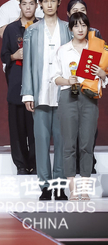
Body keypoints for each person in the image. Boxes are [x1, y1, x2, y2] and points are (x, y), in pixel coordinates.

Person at [21, 0, 71, 201]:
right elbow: (28, 64)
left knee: (62, 141)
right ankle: (45, 186)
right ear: (40, 3)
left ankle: (59, 185)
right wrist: (28, 93)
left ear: (59, 2)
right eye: (45, 1)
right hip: (40, 93)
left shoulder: (68, 29)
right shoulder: (32, 30)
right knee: (41, 141)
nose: (49, 5)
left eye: (53, 0)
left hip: (63, 93)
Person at [52, 12, 105, 200]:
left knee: (86, 144)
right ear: (71, 29)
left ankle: (84, 189)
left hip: (89, 98)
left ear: (88, 27)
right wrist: (67, 80)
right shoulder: (63, 50)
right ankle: (73, 189)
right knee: (69, 145)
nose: (80, 29)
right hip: (68, 97)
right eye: (76, 25)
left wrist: (102, 73)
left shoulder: (96, 49)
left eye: (83, 25)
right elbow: (54, 77)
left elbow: (104, 77)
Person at [0, 0, 38, 175]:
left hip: (37, 86)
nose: (28, 7)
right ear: (20, 6)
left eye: (31, 3)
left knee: (36, 128)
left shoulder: (42, 27)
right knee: (17, 129)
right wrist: (14, 56)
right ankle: (21, 165)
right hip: (17, 83)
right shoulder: (11, 29)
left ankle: (36, 163)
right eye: (25, 4)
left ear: (36, 5)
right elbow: (4, 55)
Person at [65, 0, 100, 174]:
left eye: (82, 10)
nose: (79, 14)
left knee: (88, 130)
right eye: (75, 11)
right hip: (68, 88)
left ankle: (88, 165)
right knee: (70, 131)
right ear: (68, 14)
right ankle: (73, 167)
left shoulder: (94, 34)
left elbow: (100, 61)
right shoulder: (64, 33)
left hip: (88, 88)